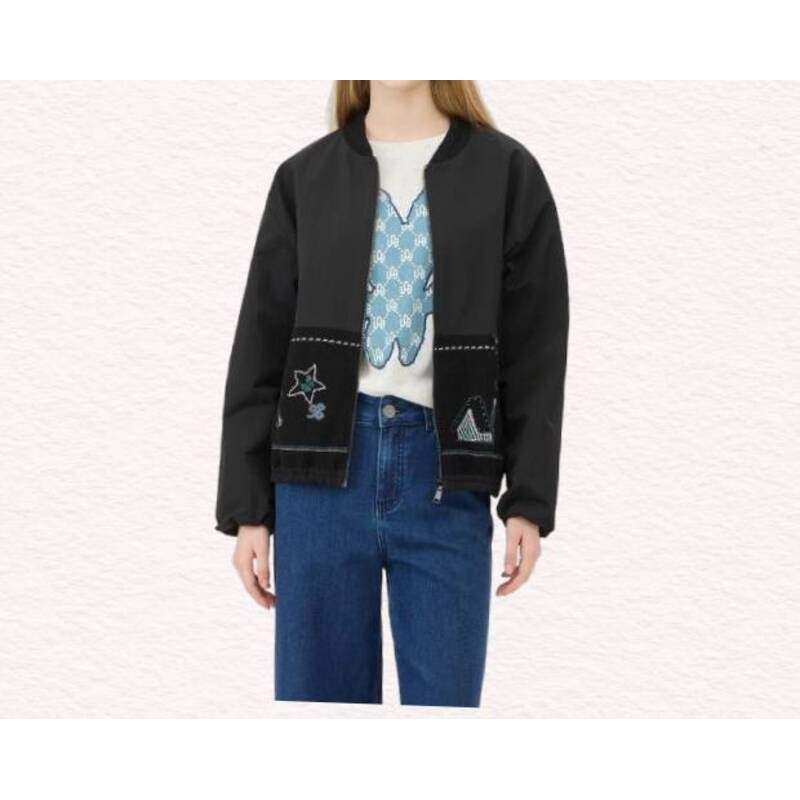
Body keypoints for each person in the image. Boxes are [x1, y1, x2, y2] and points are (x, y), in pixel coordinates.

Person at [216, 80, 569, 707]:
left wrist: (529, 499)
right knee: (319, 724)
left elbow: (536, 347)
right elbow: (260, 345)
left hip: (447, 477)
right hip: (318, 483)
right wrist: (249, 510)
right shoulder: (305, 178)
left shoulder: (506, 174)